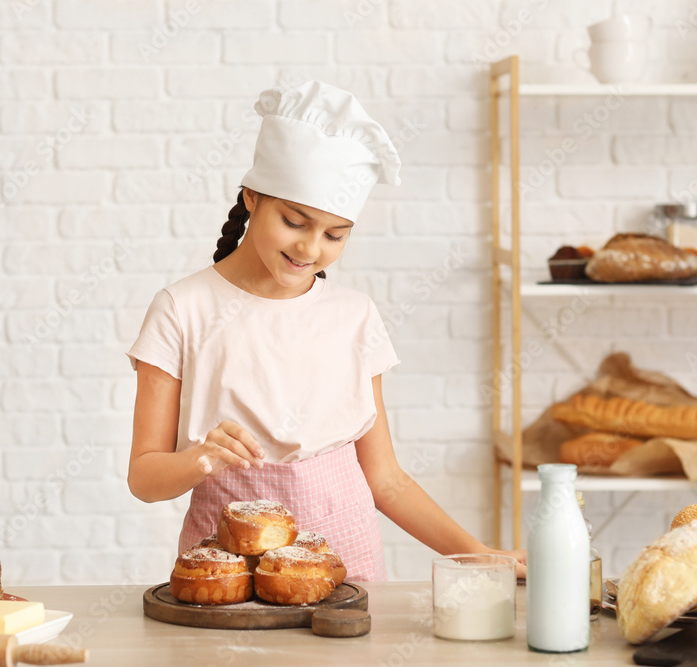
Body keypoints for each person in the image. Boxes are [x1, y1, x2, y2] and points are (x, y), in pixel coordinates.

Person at [127, 81, 526, 581]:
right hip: (227, 569)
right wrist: (201, 460)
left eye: (335, 235)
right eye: (295, 222)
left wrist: (480, 554)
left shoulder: (354, 317)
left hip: (347, 564)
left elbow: (386, 482)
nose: (311, 249)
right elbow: (144, 477)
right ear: (251, 197)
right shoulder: (181, 309)